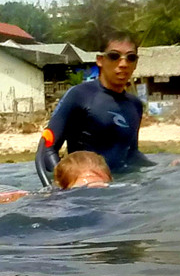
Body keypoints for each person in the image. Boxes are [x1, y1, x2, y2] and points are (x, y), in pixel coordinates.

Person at [35, 31, 152, 186]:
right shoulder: (79, 95)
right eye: (114, 56)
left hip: (120, 189)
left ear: (136, 63)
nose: (123, 64)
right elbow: (46, 151)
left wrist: (166, 168)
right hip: (85, 192)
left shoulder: (135, 105)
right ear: (100, 60)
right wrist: (63, 187)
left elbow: (132, 154)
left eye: (130, 57)